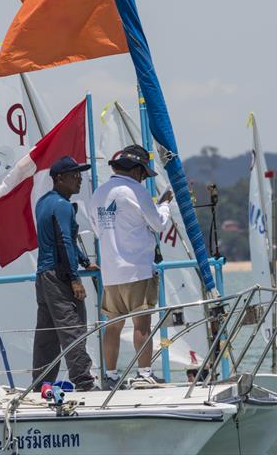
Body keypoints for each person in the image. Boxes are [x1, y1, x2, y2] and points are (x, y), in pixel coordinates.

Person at [90, 145, 172, 389]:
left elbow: (97, 230)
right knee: (142, 324)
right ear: (137, 170)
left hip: (111, 272)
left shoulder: (98, 194)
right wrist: (165, 204)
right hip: (136, 268)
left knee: (113, 327)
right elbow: (158, 224)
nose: (144, 178)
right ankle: (144, 373)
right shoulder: (136, 191)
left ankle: (111, 376)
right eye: (144, 174)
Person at [32, 156, 97, 392]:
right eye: (74, 175)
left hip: (43, 275)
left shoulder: (43, 202)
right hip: (59, 276)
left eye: (79, 174)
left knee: (47, 333)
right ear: (59, 178)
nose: (79, 179)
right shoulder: (61, 205)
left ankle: (41, 383)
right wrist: (75, 278)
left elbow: (62, 238)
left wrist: (84, 261)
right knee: (74, 328)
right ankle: (84, 382)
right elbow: (64, 241)